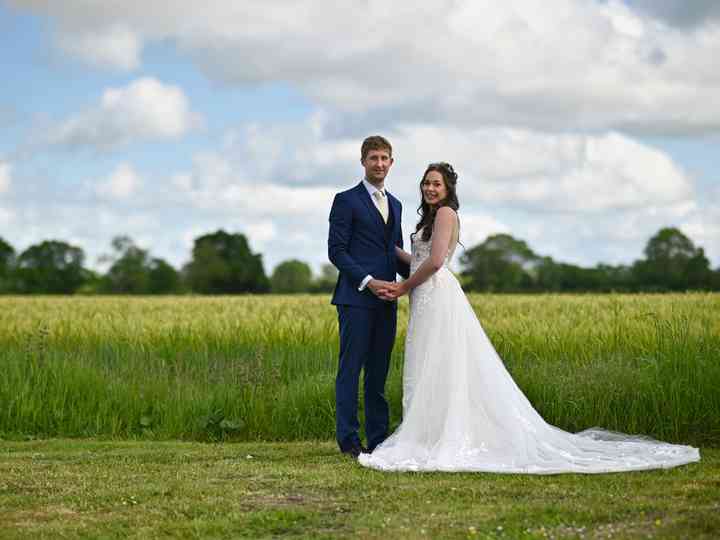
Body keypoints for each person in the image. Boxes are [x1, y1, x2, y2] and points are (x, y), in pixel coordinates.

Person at [359, 162, 700, 473]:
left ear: (448, 189)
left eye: (436, 184)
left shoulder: (446, 213)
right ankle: (428, 434)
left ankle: (442, 436)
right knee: (429, 363)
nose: (430, 189)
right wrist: (383, 250)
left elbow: (434, 263)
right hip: (424, 295)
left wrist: (402, 288)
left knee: (442, 361)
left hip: (435, 293)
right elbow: (417, 257)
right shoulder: (429, 218)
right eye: (426, 183)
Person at [328, 135, 410, 459]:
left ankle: (378, 440)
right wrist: (368, 281)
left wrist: (426, 275)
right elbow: (336, 251)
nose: (379, 164)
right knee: (351, 371)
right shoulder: (345, 200)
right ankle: (349, 441)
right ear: (363, 161)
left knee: (378, 372)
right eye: (373, 158)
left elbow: (394, 252)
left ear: (392, 163)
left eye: (384, 158)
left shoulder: (397, 205)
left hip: (387, 300)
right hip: (355, 299)